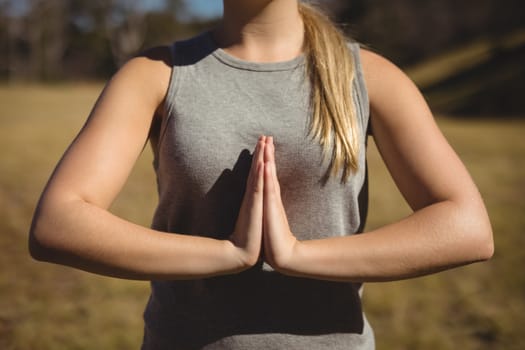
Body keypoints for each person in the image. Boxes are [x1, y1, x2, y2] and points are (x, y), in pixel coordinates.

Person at [29, 0, 494, 349]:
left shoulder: (370, 76)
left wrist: (296, 256)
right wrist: (226, 254)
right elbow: (60, 223)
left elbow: (467, 227)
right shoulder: (155, 75)